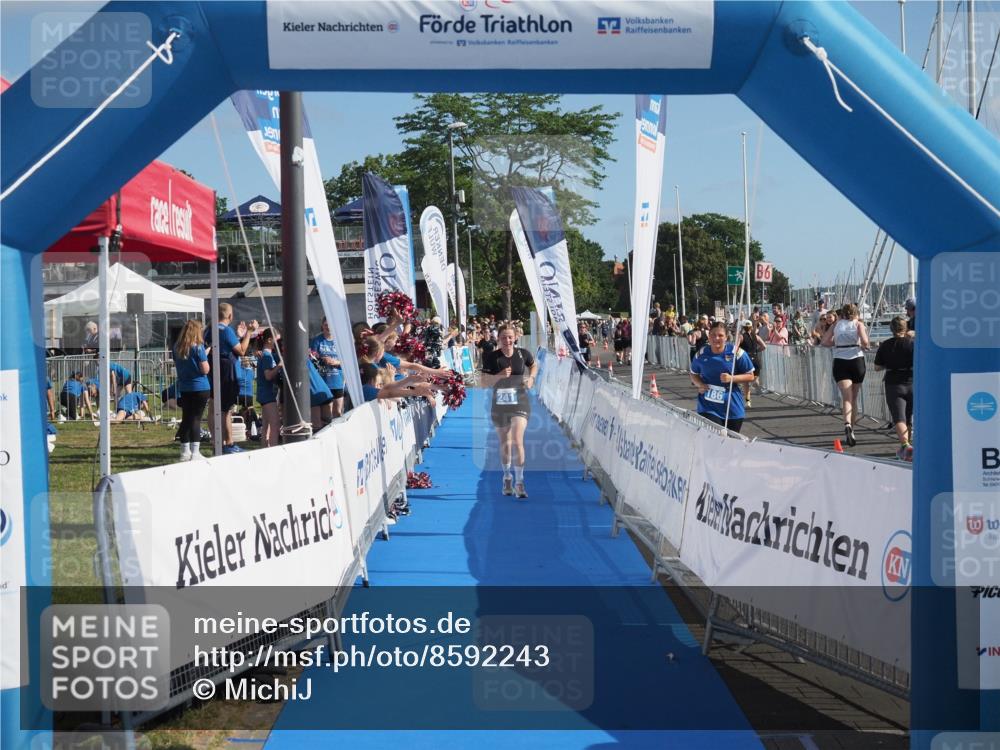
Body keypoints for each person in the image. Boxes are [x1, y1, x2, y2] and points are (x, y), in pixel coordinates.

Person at [480, 324, 538, 499]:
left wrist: (531, 378)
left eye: (510, 337)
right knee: (505, 442)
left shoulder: (523, 354)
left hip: (520, 401)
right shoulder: (492, 357)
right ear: (498, 339)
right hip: (500, 403)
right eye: (504, 337)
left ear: (515, 338)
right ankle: (507, 477)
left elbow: (534, 365)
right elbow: (483, 382)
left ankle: (520, 483)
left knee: (516, 439)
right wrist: (499, 376)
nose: (507, 340)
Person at [205, 303, 259, 454]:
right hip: (226, 372)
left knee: (213, 406)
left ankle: (216, 441)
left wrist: (237, 337)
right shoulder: (226, 330)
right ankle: (228, 443)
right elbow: (241, 351)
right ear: (230, 316)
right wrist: (249, 332)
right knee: (225, 410)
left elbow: (224, 345)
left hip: (213, 370)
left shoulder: (209, 330)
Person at [689, 321, 756, 434]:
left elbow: (750, 376)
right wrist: (699, 384)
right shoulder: (701, 354)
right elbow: (693, 373)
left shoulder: (737, 353)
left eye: (720, 335)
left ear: (726, 337)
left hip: (732, 408)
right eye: (713, 335)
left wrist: (732, 378)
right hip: (708, 407)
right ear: (709, 336)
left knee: (730, 444)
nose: (716, 338)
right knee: (716, 436)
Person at [821, 303, 871, 448]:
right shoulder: (858, 324)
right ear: (856, 313)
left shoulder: (836, 325)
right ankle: (852, 429)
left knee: (846, 398)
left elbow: (824, 342)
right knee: (853, 398)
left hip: (840, 361)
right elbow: (865, 342)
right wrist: (862, 344)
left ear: (842, 313)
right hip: (856, 360)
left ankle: (847, 423)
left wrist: (837, 343)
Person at [874, 316, 914, 461]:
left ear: (891, 329)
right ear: (905, 328)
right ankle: (907, 447)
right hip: (912, 381)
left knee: (899, 417)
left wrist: (889, 364)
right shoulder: (913, 344)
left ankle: (906, 445)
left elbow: (877, 367)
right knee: (908, 417)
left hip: (893, 383)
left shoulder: (885, 345)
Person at [172, 319, 211, 461]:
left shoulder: (176, 347)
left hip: (185, 387)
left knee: (186, 418)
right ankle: (195, 452)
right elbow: (205, 369)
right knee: (196, 419)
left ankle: (184, 451)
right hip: (200, 387)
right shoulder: (198, 347)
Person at [310, 317, 345, 423]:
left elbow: (347, 360)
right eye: (326, 325)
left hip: (337, 381)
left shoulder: (339, 341)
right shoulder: (317, 340)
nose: (328, 327)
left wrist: (336, 362)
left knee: (338, 412)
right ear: (322, 326)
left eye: (330, 325)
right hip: (323, 381)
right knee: (327, 414)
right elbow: (311, 358)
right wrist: (322, 359)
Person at [256, 328, 282, 448]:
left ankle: (264, 450)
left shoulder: (268, 354)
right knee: (275, 424)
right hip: (267, 395)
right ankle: (273, 450)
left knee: (266, 426)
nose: (279, 342)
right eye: (277, 340)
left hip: (265, 394)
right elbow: (268, 376)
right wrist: (279, 366)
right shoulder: (266, 356)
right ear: (270, 340)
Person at [739, 320, 767, 407]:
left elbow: (735, 348)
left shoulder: (741, 337)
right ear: (751, 327)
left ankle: (747, 400)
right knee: (754, 378)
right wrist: (756, 351)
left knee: (745, 382)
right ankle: (755, 383)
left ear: (743, 327)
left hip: (746, 360)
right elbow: (764, 346)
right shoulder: (756, 337)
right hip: (755, 359)